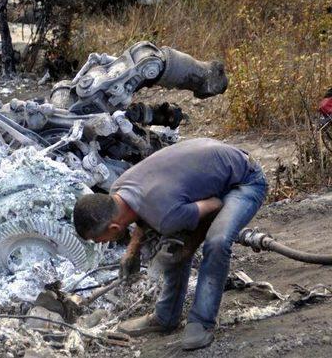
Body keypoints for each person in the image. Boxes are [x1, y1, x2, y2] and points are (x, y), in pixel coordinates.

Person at [72, 138, 267, 351]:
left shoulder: (165, 216)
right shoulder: (118, 191)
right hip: (212, 167)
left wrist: (187, 249)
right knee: (173, 242)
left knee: (217, 242)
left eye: (97, 240)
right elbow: (142, 213)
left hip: (245, 181)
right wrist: (132, 251)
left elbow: (214, 205)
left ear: (113, 229)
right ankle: (166, 317)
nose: (98, 243)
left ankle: (202, 321)